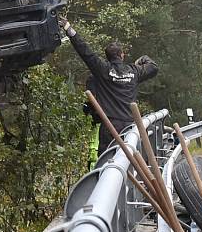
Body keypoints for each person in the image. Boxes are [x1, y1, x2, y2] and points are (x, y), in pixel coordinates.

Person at [59, 17, 159, 155]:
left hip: (110, 127)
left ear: (107, 57)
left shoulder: (103, 70)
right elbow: (153, 67)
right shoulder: (133, 71)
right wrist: (142, 60)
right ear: (122, 55)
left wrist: (69, 29)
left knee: (107, 163)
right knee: (131, 159)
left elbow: (86, 52)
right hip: (131, 126)